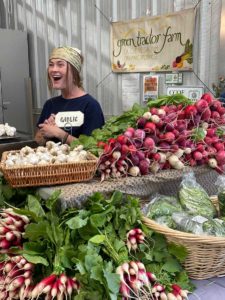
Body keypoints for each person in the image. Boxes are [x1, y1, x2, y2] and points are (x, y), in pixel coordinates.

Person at [35, 46, 105, 145]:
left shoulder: (90, 105)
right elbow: (38, 141)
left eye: (60, 65)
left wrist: (59, 133)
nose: (54, 69)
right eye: (51, 65)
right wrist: (46, 130)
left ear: (74, 71)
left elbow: (95, 147)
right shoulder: (50, 104)